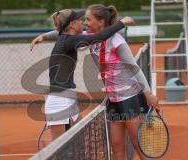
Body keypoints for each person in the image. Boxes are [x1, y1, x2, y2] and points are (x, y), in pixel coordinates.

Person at [31, 5, 159, 160]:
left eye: (88, 19)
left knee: (138, 145)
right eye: (83, 19)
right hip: (112, 100)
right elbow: (64, 33)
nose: (85, 23)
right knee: (117, 148)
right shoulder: (89, 37)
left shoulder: (116, 41)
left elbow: (135, 69)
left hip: (130, 98)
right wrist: (44, 36)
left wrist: (149, 94)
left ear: (101, 22)